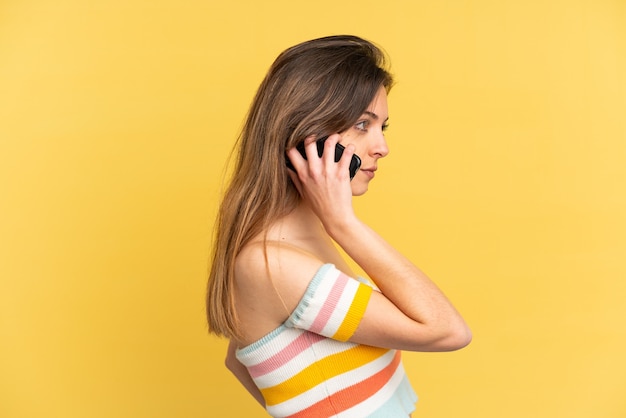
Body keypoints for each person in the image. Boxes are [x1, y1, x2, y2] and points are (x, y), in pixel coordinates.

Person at [206, 35, 472, 417]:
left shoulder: (292, 244)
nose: (381, 147)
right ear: (304, 135)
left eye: (382, 126)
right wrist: (343, 223)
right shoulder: (273, 262)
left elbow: (239, 358)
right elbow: (449, 331)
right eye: (363, 125)